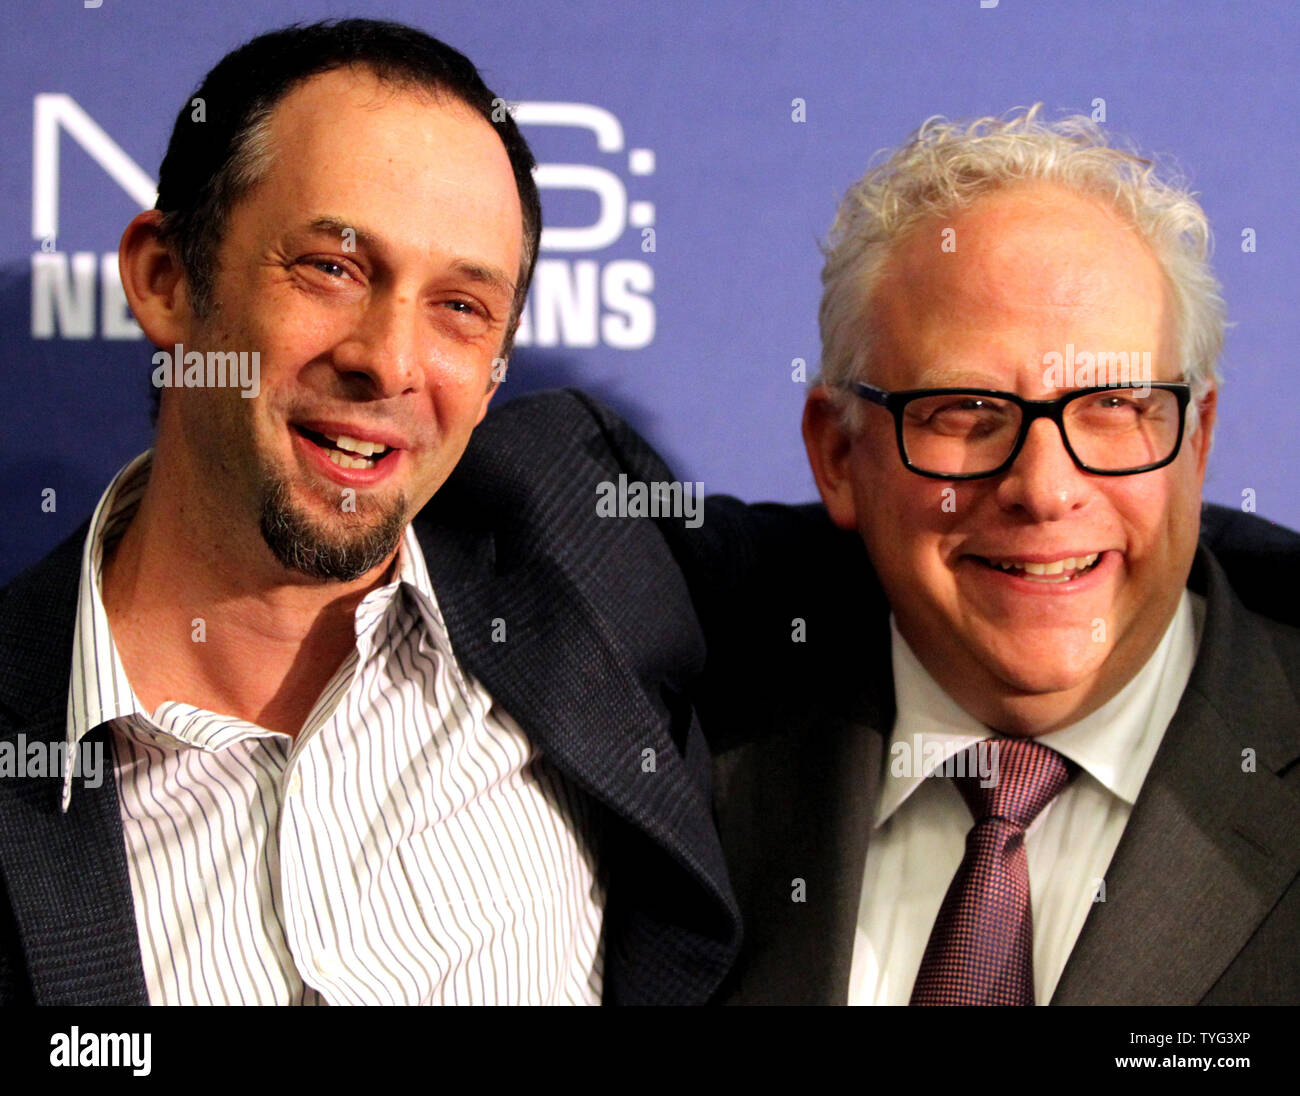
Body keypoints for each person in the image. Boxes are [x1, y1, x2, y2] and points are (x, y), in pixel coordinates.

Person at [0, 19, 738, 1005]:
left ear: (493, 374)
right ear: (167, 280)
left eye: (461, 307)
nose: (388, 359)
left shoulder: (588, 545)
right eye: (332, 268)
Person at [695, 107, 1300, 1005]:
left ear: (1198, 440)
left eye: (1115, 406)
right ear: (837, 453)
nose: (1046, 488)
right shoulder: (684, 752)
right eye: (965, 413)